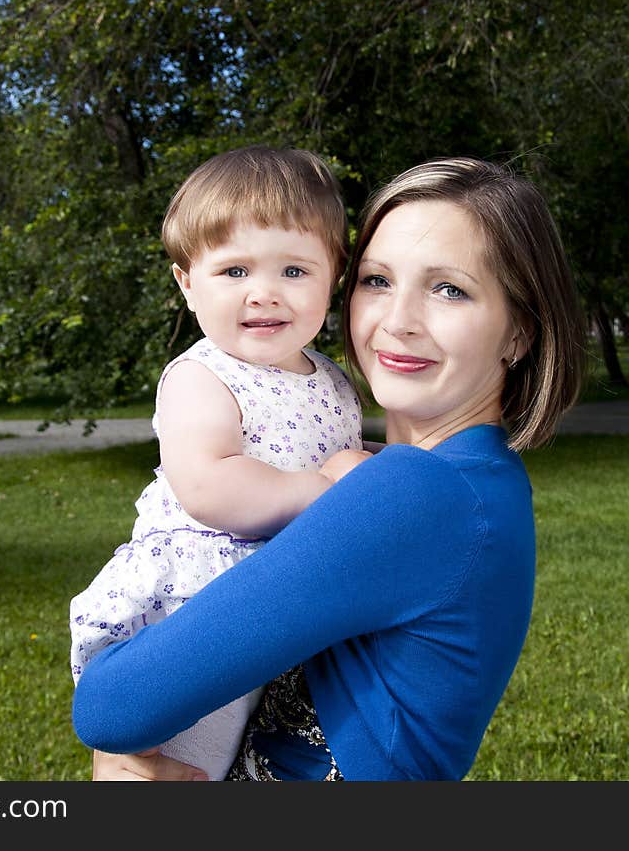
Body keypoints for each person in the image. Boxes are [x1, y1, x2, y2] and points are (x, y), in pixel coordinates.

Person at [73, 156, 588, 781]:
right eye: (377, 281)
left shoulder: (411, 493)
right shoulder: (484, 480)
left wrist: (123, 758)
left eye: (449, 289)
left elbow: (110, 708)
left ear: (520, 332)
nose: (397, 322)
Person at [68, 146, 366, 780]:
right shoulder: (202, 377)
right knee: (177, 762)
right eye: (233, 272)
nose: (264, 293)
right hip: (199, 600)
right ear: (187, 283)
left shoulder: (332, 379)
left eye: (294, 271)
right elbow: (210, 484)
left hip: (281, 598)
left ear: (332, 277)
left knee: (248, 757)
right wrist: (326, 490)